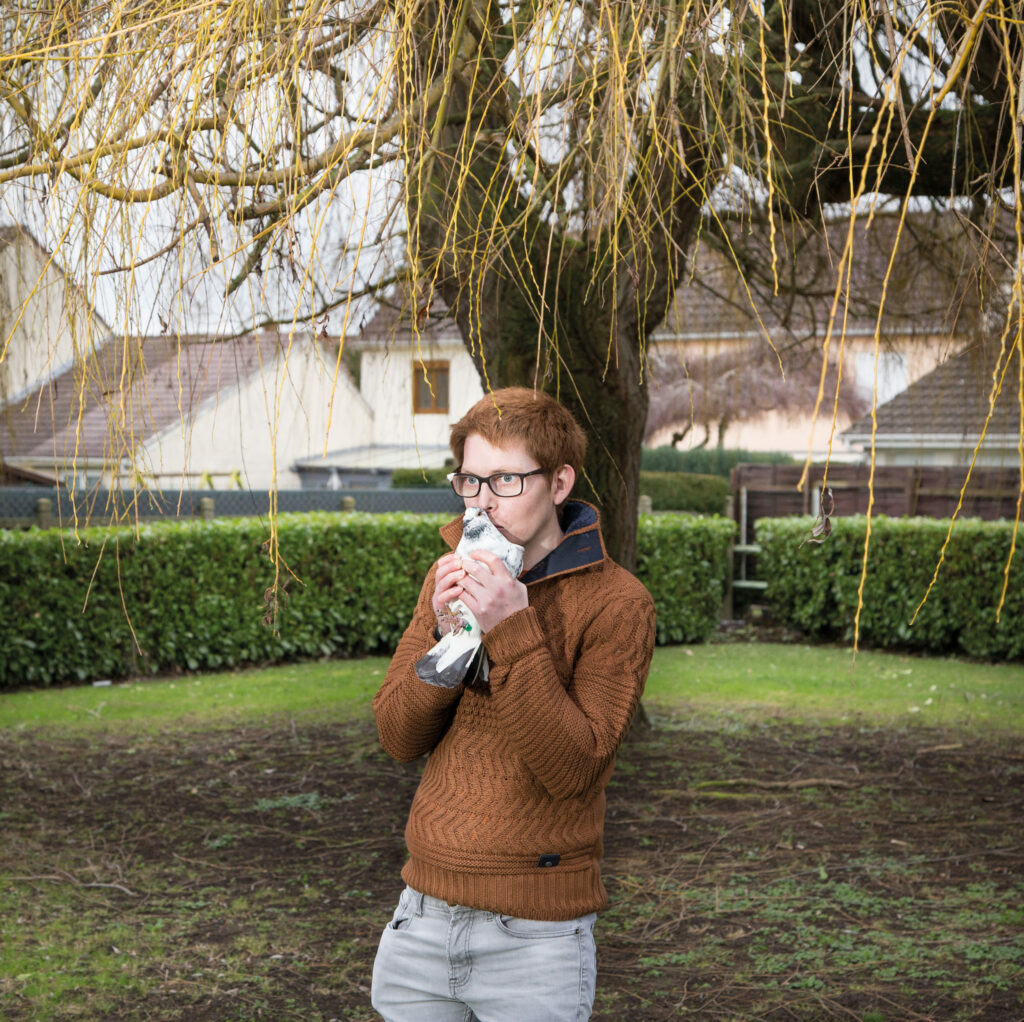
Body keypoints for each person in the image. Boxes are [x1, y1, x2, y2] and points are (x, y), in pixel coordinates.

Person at [370, 387, 656, 1022]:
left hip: (538, 937)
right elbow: (397, 736)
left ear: (558, 483)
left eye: (504, 480)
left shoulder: (618, 602)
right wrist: (449, 639)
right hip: (420, 916)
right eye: (469, 481)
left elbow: (574, 769)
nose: (482, 503)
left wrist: (509, 630)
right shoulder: (447, 576)